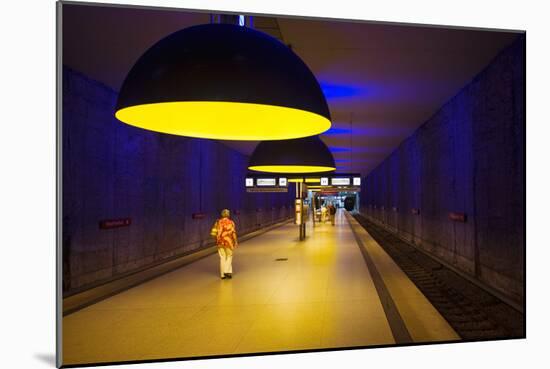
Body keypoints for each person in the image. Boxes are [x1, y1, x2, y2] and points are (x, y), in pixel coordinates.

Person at [215, 209, 238, 279]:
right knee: (229, 256)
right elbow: (233, 233)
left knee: (222, 257)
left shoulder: (218, 222)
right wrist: (236, 241)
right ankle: (226, 271)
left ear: (222, 214)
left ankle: (223, 274)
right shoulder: (231, 222)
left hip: (220, 242)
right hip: (228, 242)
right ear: (228, 214)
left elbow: (215, 232)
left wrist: (217, 240)